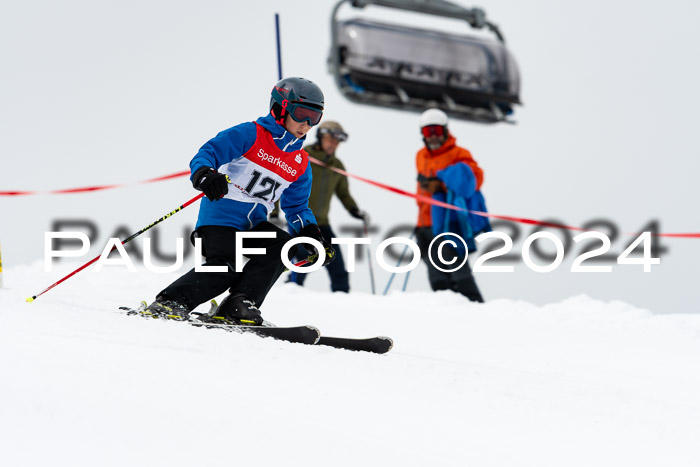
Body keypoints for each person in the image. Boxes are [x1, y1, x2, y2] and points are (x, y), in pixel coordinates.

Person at [145, 77, 336, 325]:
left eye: (315, 117)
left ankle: (239, 304)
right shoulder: (251, 134)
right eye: (301, 114)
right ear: (280, 108)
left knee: (282, 246)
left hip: (253, 227)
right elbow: (208, 153)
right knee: (227, 267)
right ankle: (171, 301)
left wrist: (310, 233)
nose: (306, 124)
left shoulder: (299, 162)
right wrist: (205, 174)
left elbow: (297, 206)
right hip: (219, 223)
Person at [279, 120, 368, 292]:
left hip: (323, 223)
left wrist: (354, 210)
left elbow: (344, 193)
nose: (334, 145)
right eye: (330, 140)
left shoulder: (337, 166)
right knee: (303, 261)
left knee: (337, 264)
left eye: (337, 142)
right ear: (320, 137)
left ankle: (341, 299)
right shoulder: (302, 156)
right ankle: (291, 293)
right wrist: (274, 212)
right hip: (301, 222)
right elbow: (281, 181)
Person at [414, 108, 490, 303]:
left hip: (449, 224)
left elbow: (473, 181)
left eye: (436, 131)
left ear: (446, 131)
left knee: (458, 272)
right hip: (425, 225)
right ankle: (448, 313)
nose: (432, 137)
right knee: (437, 277)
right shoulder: (420, 155)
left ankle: (477, 308)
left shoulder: (459, 153)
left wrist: (442, 184)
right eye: (427, 132)